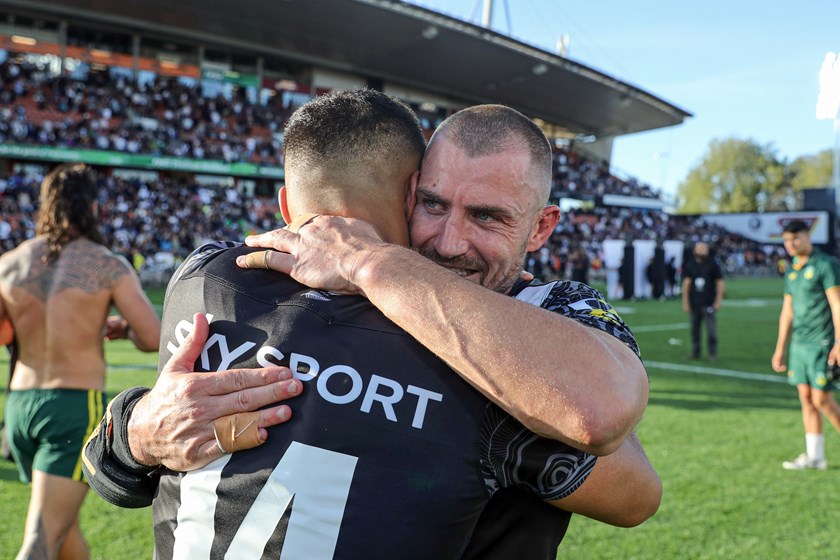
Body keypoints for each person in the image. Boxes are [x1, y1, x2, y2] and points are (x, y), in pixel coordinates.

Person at [84, 97, 657, 558]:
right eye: (432, 205)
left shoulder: (208, 273)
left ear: (541, 228)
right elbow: (112, 469)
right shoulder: (245, 287)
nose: (449, 243)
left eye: (487, 216)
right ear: (409, 194)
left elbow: (612, 444)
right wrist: (139, 429)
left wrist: (370, 262)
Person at [0, 164, 161, 560]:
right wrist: (122, 330)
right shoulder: (107, 265)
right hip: (71, 409)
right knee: (39, 542)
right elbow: (154, 337)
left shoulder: (10, 263)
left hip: (19, 407)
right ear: (92, 206)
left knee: (62, 528)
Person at [771, 220, 840, 470]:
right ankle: (815, 457)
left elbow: (837, 304)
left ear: (808, 236)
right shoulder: (791, 270)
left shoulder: (826, 265)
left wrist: (839, 341)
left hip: (821, 342)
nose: (790, 244)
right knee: (806, 399)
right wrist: (780, 348)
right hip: (799, 345)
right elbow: (787, 311)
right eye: (787, 240)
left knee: (823, 400)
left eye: (795, 239)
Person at [682, 242, 724, 362]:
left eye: (704, 248)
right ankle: (695, 353)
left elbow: (720, 283)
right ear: (695, 250)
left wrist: (718, 300)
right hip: (695, 303)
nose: (703, 250)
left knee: (711, 331)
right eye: (700, 248)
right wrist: (685, 302)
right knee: (695, 330)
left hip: (708, 303)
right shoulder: (690, 265)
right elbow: (686, 284)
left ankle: (712, 354)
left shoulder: (713, 265)